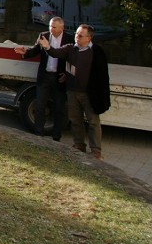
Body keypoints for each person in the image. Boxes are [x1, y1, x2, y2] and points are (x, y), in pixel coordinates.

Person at [38, 24, 111, 159]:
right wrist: (47, 46)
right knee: (75, 120)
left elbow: (102, 76)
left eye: (80, 35)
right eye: (76, 34)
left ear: (89, 38)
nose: (77, 37)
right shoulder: (71, 48)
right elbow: (56, 52)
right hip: (72, 91)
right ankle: (79, 145)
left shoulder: (97, 52)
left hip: (89, 94)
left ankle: (95, 150)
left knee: (93, 122)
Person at [14, 17, 74, 140]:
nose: (51, 29)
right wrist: (24, 52)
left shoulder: (69, 39)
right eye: (50, 26)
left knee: (59, 108)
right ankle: (38, 134)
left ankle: (56, 136)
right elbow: (35, 50)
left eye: (54, 27)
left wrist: (67, 74)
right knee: (40, 106)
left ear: (62, 28)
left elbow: (73, 59)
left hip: (59, 78)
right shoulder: (44, 35)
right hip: (45, 77)